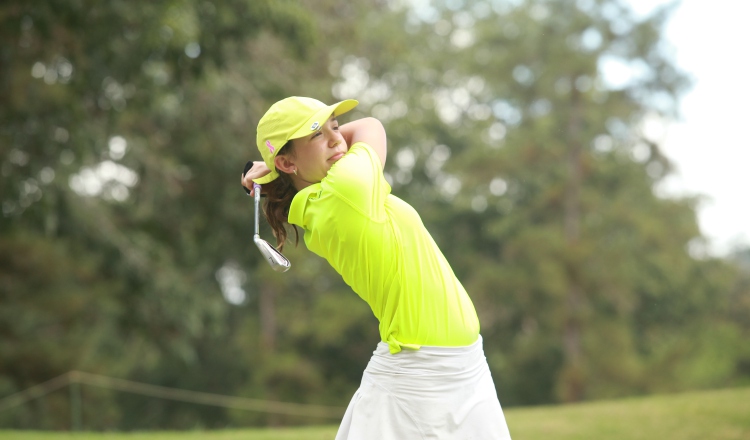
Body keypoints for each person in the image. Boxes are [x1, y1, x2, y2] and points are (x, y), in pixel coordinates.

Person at [241, 96, 512, 439]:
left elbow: (345, 139)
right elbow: (371, 127)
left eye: (334, 127)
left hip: (464, 367)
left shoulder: (322, 197)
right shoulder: (345, 189)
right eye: (316, 134)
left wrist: (279, 164)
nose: (336, 139)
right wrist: (275, 165)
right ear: (288, 162)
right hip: (418, 379)